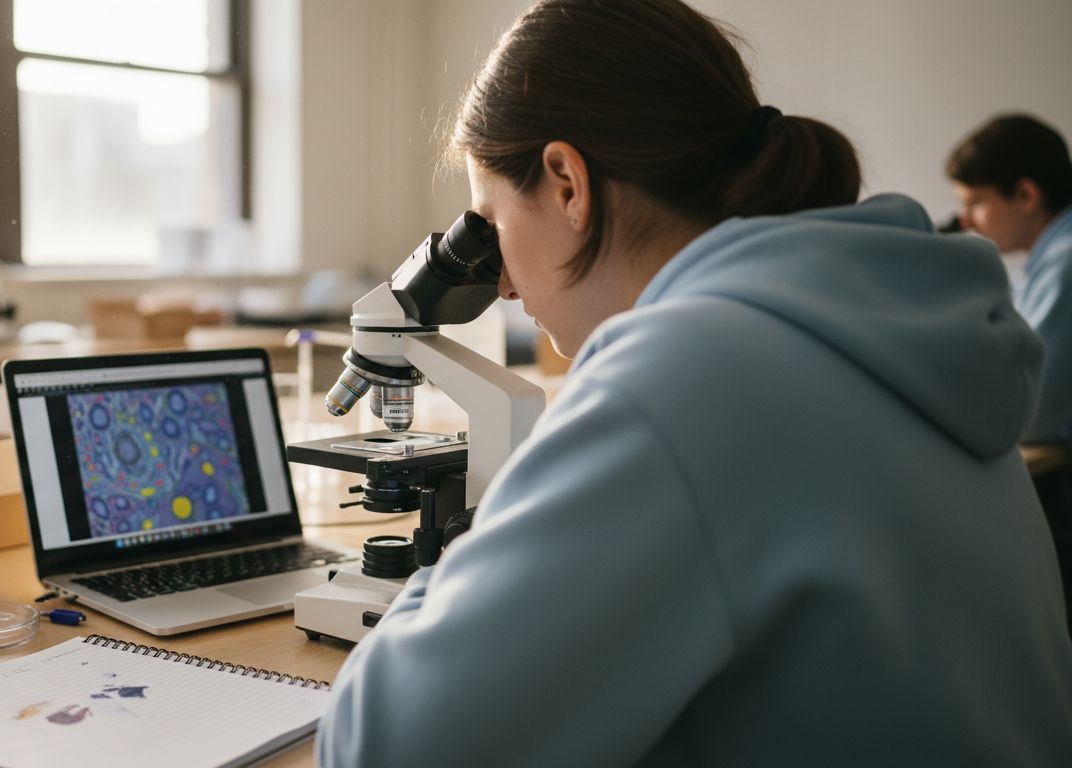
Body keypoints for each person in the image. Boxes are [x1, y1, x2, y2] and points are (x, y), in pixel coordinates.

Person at [315, 1, 1072, 765]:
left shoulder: (682, 382)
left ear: (568, 183)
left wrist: (461, 557)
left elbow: (384, 748)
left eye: (491, 224)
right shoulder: (903, 330)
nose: (502, 282)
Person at [947, 114, 1072, 443]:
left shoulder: (1064, 266)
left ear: (1025, 195)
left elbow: (1031, 413)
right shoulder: (1048, 262)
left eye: (975, 202)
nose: (965, 221)